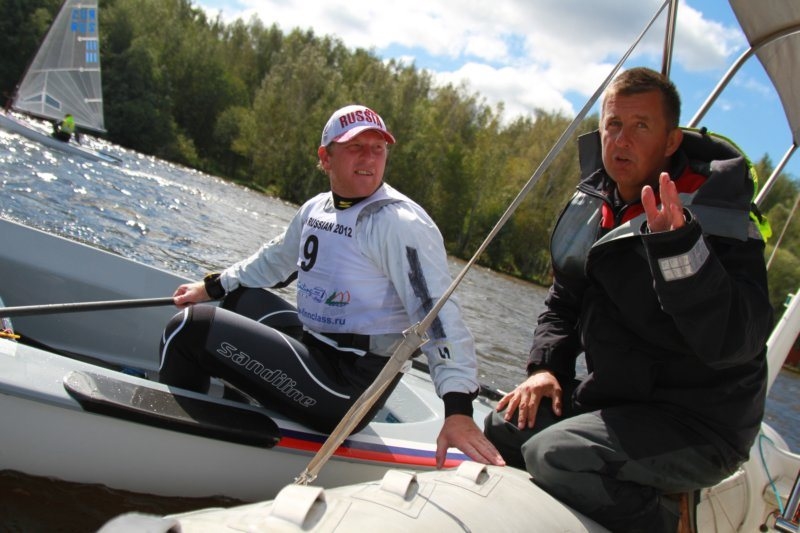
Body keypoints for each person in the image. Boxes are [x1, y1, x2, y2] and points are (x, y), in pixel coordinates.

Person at [483, 67, 773, 532]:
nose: (622, 140)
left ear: (671, 141)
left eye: (641, 126)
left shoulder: (718, 216)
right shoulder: (595, 205)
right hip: (620, 400)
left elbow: (735, 341)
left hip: (701, 424)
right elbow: (563, 302)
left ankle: (669, 522)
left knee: (555, 456)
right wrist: (546, 369)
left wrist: (680, 251)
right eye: (614, 124)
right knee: (505, 427)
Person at [158, 103, 505, 469]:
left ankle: (172, 451)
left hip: (349, 385)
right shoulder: (317, 208)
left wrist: (458, 409)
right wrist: (213, 286)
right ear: (326, 157)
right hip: (316, 346)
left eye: (378, 148)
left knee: (190, 328)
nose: (369, 158)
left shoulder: (400, 223)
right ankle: (237, 414)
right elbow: (275, 260)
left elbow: (439, 317)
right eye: (356, 147)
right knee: (239, 297)